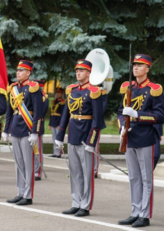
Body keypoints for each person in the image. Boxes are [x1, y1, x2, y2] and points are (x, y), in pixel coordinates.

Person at [117, 54, 164, 227]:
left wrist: (137, 115)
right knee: (133, 178)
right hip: (129, 136)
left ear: (147, 68)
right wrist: (122, 125)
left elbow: (160, 116)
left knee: (146, 178)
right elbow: (120, 111)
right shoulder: (127, 87)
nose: (135, 67)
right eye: (134, 65)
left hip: (145, 138)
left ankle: (144, 215)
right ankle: (135, 211)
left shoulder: (154, 89)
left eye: (140, 65)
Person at [55, 59, 104, 217]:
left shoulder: (94, 91)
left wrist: (92, 141)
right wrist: (60, 136)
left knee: (87, 173)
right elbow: (65, 115)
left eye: (82, 70)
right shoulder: (72, 90)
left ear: (89, 73)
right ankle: (76, 202)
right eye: (77, 70)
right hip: (73, 134)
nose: (78, 73)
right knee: (74, 171)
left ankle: (85, 205)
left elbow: (97, 120)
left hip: (86, 136)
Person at [3, 60, 43, 205]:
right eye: (17, 70)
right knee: (18, 163)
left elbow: (38, 113)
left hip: (27, 129)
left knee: (28, 164)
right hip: (15, 127)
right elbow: (9, 111)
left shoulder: (33, 88)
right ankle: (20, 192)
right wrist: (6, 129)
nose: (18, 72)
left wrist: (35, 132)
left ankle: (28, 195)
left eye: (21, 70)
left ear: (28, 73)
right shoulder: (13, 88)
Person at [33, 79, 49, 181]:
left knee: (37, 151)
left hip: (37, 126)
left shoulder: (44, 98)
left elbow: (41, 113)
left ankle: (37, 172)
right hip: (30, 126)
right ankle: (32, 170)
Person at [49, 87, 65, 158]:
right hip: (53, 121)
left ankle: (59, 153)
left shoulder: (62, 102)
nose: (57, 94)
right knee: (54, 138)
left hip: (58, 122)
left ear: (61, 94)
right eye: (56, 93)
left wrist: (60, 124)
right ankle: (55, 152)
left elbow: (63, 114)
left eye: (59, 93)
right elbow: (51, 113)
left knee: (59, 138)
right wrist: (50, 123)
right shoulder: (53, 102)